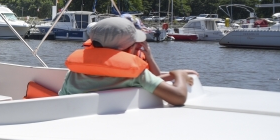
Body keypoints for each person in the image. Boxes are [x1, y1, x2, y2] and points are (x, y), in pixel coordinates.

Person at [59, 17, 197, 106]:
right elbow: (178, 98)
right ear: (130, 48)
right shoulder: (136, 75)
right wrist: (179, 74)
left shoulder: (74, 73)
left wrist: (168, 76)